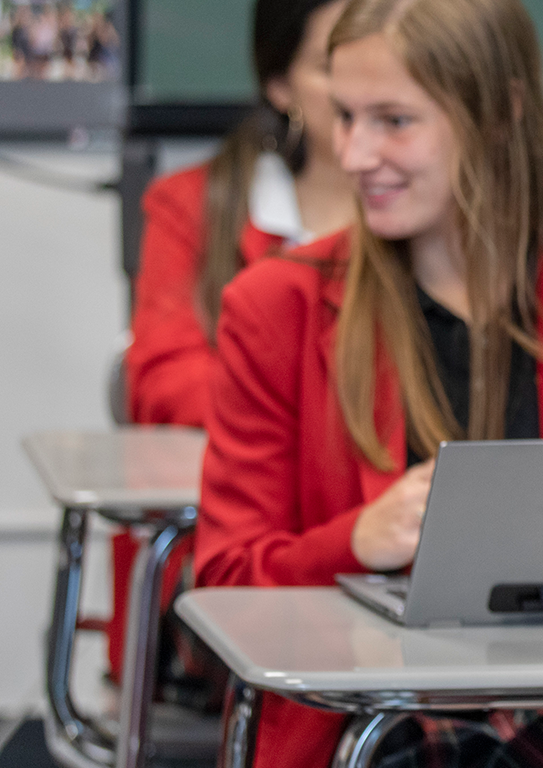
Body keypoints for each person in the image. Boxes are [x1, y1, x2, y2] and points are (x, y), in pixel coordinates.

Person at [195, 0, 543, 764]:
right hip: (371, 730)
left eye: (394, 121)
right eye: (346, 116)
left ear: (499, 115)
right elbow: (225, 583)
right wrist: (354, 540)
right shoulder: (276, 306)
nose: (354, 154)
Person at [107, 0, 356, 694]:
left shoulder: (427, 216)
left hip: (385, 556)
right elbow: (163, 379)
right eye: (333, 65)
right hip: (244, 553)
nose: (359, 88)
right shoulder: (196, 203)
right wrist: (321, 421)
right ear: (279, 86)